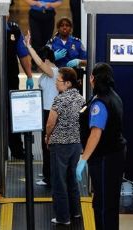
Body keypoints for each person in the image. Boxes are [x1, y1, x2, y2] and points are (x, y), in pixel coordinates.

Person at [76, 63, 127, 230]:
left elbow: (96, 133)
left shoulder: (100, 103)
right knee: (109, 202)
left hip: (105, 158)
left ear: (92, 79)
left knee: (103, 204)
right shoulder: (113, 96)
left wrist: (83, 159)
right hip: (115, 154)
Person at [45, 67, 85, 225]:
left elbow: (50, 123)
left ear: (68, 83)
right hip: (75, 145)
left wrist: (48, 137)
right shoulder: (81, 98)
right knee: (72, 180)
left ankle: (62, 217)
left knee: (59, 182)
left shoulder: (59, 100)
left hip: (60, 145)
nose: (56, 84)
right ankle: (75, 212)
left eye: (58, 81)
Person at [24, 31, 59, 186]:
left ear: (46, 60)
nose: (38, 66)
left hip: (51, 112)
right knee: (45, 145)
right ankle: (47, 173)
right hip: (44, 111)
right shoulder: (47, 75)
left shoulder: (54, 72)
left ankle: (50, 178)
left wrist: (28, 46)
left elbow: (38, 62)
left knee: (49, 144)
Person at [7, 19, 33, 159]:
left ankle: (17, 150)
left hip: (10, 79)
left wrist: (29, 76)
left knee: (13, 114)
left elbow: (23, 55)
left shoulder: (14, 30)